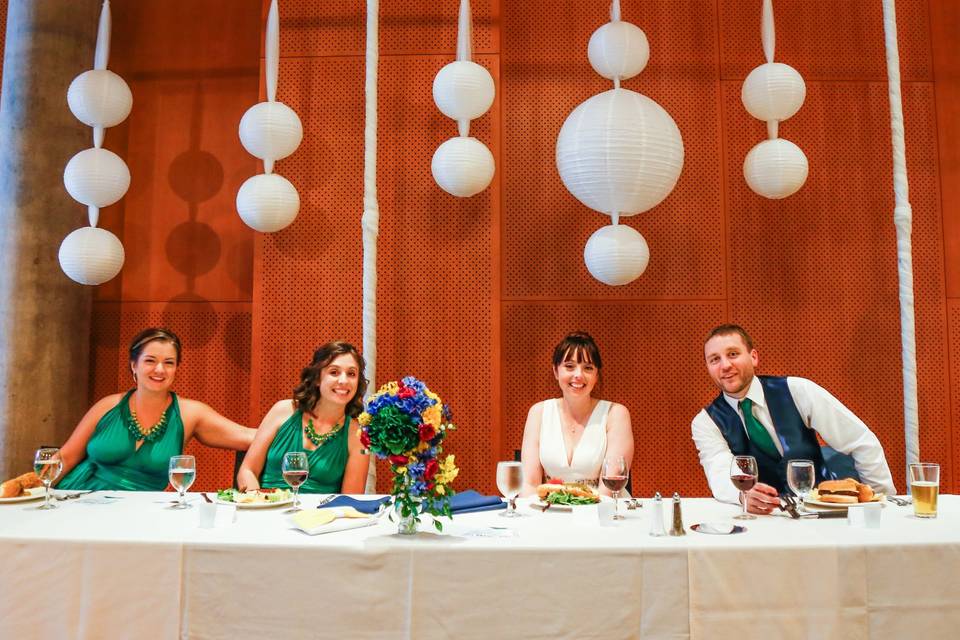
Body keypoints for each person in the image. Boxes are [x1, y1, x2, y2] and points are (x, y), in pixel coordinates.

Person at [692, 324, 896, 514]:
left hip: (820, 513)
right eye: (714, 359)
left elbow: (862, 442)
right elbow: (718, 472)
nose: (725, 365)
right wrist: (741, 494)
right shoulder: (705, 422)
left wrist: (881, 505)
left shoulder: (798, 390)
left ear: (753, 357)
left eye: (733, 354)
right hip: (763, 520)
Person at [38, 328, 256, 491]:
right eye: (150, 360)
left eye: (169, 363)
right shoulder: (107, 406)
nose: (159, 369)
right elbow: (65, 458)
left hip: (142, 515)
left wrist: (288, 414)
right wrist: (28, 494)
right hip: (78, 500)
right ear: (134, 365)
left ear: (176, 368)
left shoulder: (191, 413)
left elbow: (248, 436)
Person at [237, 341, 369, 494]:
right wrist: (258, 504)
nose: (344, 381)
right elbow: (247, 471)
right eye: (334, 372)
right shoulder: (283, 410)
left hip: (321, 515)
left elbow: (349, 501)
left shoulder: (358, 436)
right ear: (318, 378)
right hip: (266, 509)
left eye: (351, 374)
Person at [520, 331, 634, 497]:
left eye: (588, 368)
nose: (578, 375)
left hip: (604, 512)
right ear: (556, 371)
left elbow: (609, 488)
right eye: (569, 366)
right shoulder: (538, 412)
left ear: (596, 375)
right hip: (550, 510)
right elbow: (530, 484)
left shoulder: (615, 414)